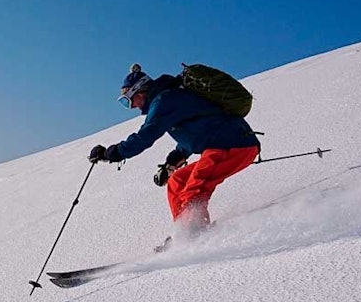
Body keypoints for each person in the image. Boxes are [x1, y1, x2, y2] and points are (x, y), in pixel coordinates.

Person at [89, 64, 261, 237]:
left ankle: (196, 233)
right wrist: (172, 161)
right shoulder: (169, 98)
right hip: (221, 144)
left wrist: (112, 153)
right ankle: (184, 233)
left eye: (127, 100)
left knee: (195, 188)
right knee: (177, 181)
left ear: (139, 91)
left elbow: (146, 136)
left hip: (233, 144)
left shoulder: (164, 101)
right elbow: (196, 131)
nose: (131, 106)